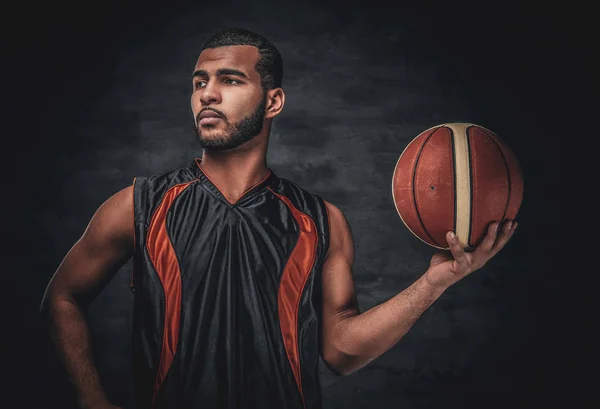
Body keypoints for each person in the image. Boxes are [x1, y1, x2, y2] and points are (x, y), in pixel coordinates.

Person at [40, 28, 518, 409]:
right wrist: (91, 398)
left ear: (273, 101)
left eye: (230, 80)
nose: (208, 94)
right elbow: (63, 296)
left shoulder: (320, 220)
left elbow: (342, 352)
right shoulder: (139, 204)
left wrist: (434, 283)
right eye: (199, 82)